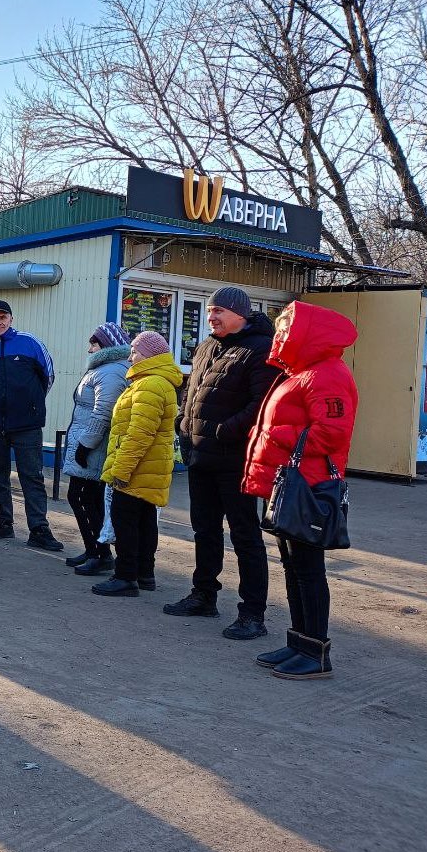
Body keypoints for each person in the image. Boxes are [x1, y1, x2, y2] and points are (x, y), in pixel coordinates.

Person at [242, 301, 358, 679]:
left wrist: (275, 436)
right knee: (294, 568)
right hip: (288, 485)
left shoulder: (326, 374)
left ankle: (316, 653)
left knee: (308, 570)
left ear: (304, 334)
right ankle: (299, 644)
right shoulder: (300, 373)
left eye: (285, 330)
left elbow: (332, 432)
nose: (279, 337)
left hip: (307, 487)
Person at [165, 286, 276, 641]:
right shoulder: (208, 346)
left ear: (240, 314)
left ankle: (252, 614)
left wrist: (222, 431)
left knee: (245, 537)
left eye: (219, 312)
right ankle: (203, 595)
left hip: (234, 461)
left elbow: (261, 406)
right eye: (210, 311)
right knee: (205, 530)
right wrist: (184, 426)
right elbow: (192, 392)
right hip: (200, 456)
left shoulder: (260, 349)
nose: (211, 317)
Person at [92, 331, 182, 598]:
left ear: (149, 355)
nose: (130, 356)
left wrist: (121, 470)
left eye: (134, 351)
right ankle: (145, 573)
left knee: (126, 520)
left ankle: (125, 576)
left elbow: (139, 434)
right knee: (144, 520)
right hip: (149, 466)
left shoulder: (150, 384)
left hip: (138, 466)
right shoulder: (152, 382)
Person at [0, 299, 61, 551]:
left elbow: (48, 377)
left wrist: (30, 403)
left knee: (32, 476)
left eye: (2, 317)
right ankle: (3, 522)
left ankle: (39, 528)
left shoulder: (30, 343)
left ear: (11, 319)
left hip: (26, 425)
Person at [62, 322, 132, 575]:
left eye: (94, 343)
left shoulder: (111, 371)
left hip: (94, 448)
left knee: (84, 498)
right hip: (91, 446)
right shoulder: (105, 368)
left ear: (106, 345)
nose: (89, 348)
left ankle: (101, 553)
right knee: (84, 497)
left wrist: (84, 445)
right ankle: (93, 549)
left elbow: (103, 413)